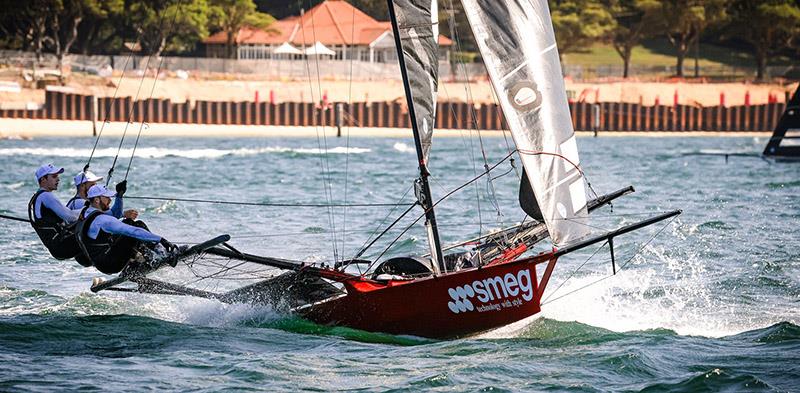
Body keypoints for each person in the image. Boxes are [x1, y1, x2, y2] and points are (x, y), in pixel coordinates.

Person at [76, 184, 177, 275]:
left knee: (129, 223)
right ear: (97, 200)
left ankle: (136, 262)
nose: (110, 200)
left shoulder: (86, 212)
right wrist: (161, 240)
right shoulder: (103, 220)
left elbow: (114, 214)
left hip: (100, 262)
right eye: (107, 198)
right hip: (110, 264)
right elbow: (133, 231)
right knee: (137, 227)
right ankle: (160, 255)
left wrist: (119, 196)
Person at [28, 163, 82, 260]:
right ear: (43, 180)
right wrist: (90, 210)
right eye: (54, 176)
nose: (58, 179)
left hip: (56, 248)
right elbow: (70, 216)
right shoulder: (46, 196)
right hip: (62, 246)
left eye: (57, 176)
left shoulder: (37, 197)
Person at [67, 171, 136, 221]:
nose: (95, 187)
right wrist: (123, 214)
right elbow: (112, 216)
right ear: (82, 186)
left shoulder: (88, 201)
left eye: (95, 184)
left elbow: (113, 214)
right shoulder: (79, 203)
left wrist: (119, 196)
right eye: (92, 185)